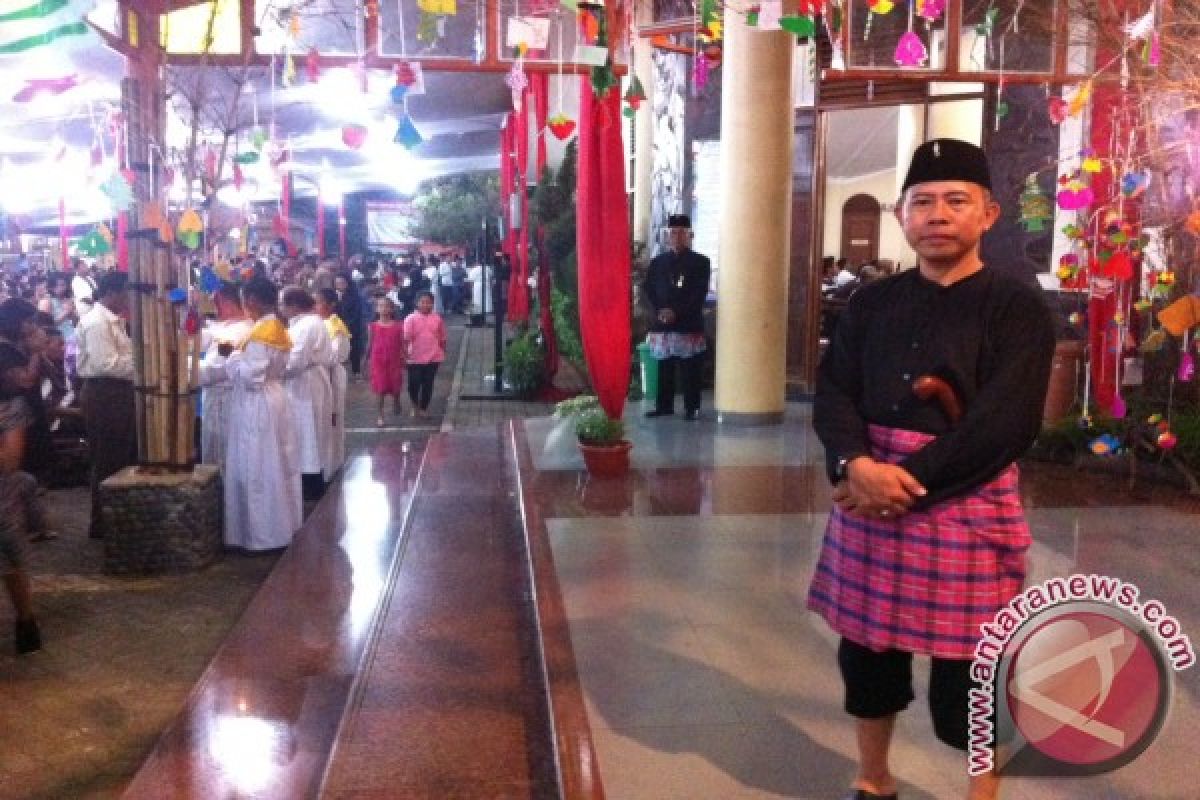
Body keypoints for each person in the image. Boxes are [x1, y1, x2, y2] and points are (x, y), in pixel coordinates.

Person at [807, 138, 1055, 800]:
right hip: (871, 491)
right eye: (922, 202)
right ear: (900, 214)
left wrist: (900, 484)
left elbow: (1005, 423)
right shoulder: (871, 303)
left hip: (961, 499)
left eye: (955, 201)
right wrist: (854, 461)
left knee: (970, 674)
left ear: (989, 214)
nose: (937, 214)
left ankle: (981, 793)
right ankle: (873, 779)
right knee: (867, 658)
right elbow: (833, 391)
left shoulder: (1017, 307)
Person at [220, 278, 302, 550]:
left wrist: (230, 358)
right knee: (276, 462)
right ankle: (280, 526)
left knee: (257, 466)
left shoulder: (260, 333)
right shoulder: (275, 326)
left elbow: (250, 377)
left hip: (257, 402)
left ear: (252, 299)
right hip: (274, 395)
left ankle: (261, 535)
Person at [76, 272, 137, 539]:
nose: (129, 299)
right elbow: (105, 364)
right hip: (104, 393)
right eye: (126, 292)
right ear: (113, 292)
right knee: (107, 456)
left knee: (120, 454)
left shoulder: (114, 321)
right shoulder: (98, 323)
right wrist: (143, 366)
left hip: (116, 391)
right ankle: (103, 522)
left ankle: (115, 517)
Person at [642, 214, 711, 420]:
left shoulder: (701, 262)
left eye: (682, 232)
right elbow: (649, 290)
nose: (677, 236)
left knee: (690, 368)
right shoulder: (657, 263)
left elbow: (698, 293)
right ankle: (664, 406)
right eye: (673, 232)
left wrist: (676, 312)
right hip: (662, 323)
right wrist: (661, 310)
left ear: (690, 235)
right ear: (667, 236)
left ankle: (692, 408)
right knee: (665, 367)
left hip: (687, 322)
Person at [280, 287, 334, 504]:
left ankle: (310, 485)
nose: (281, 309)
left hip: (304, 383)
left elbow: (295, 361)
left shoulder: (305, 325)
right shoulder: (309, 322)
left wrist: (274, 369)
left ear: (293, 305)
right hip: (310, 381)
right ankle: (311, 481)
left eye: (283, 304)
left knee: (306, 434)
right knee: (310, 434)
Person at [0, 371, 41, 654]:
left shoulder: (12, 408)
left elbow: (10, 462)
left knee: (10, 562)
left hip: (1, 498)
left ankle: (26, 621)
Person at [197, 283, 253, 471]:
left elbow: (215, 369)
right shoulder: (228, 325)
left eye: (215, 302)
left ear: (225, 302)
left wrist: (181, 366)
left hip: (225, 399)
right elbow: (204, 337)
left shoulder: (237, 331)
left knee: (223, 455)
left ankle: (224, 497)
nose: (213, 307)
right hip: (219, 397)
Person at [316, 289, 350, 478]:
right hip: (320, 374)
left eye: (319, 302)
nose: (315, 306)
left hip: (332, 375)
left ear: (331, 305)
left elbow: (335, 355)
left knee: (333, 418)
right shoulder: (317, 324)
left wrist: (313, 355)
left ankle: (332, 464)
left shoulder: (335, 325)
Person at [403, 291, 446, 418]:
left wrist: (443, 351)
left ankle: (423, 407)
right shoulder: (410, 319)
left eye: (429, 302)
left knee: (428, 384)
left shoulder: (437, 318)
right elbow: (405, 339)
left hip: (433, 357)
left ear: (433, 304)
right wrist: (405, 356)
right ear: (417, 303)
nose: (426, 305)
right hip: (414, 357)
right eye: (423, 302)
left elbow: (442, 337)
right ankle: (414, 404)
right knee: (414, 384)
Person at [366, 296, 406, 427]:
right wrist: (365, 359)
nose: (384, 309)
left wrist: (405, 357)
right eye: (380, 306)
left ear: (392, 309)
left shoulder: (399, 326)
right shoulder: (372, 326)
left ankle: (396, 400)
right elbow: (369, 344)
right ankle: (380, 415)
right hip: (378, 361)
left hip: (394, 360)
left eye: (387, 306)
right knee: (380, 388)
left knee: (395, 385)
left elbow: (402, 343)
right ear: (376, 309)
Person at [334, 272, 366, 380]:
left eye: (342, 283)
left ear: (347, 283)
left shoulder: (355, 296)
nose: (340, 285)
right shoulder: (334, 295)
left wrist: (346, 326)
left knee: (354, 350)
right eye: (337, 283)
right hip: (337, 327)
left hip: (352, 327)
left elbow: (356, 314)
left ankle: (356, 371)